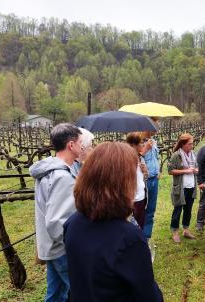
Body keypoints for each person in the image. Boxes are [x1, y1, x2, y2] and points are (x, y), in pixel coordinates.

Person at [64, 142, 163, 302]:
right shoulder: (129, 238)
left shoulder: (72, 223)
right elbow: (149, 296)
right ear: (123, 183)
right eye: (133, 175)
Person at [29, 123, 82, 302]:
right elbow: (58, 222)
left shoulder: (49, 169)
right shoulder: (62, 177)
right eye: (80, 142)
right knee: (82, 292)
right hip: (62, 249)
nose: (82, 146)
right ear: (71, 145)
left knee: (55, 294)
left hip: (49, 246)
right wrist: (76, 245)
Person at [167, 133, 198, 243]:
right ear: (183, 144)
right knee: (178, 210)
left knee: (188, 210)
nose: (192, 146)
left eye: (192, 144)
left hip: (191, 186)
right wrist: (186, 171)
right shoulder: (176, 155)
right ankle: (175, 232)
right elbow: (170, 171)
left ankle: (186, 230)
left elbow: (195, 167)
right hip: (180, 187)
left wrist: (195, 170)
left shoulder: (193, 154)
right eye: (190, 144)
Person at [141, 121, 160, 241]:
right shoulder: (139, 142)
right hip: (145, 181)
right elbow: (136, 157)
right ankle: (139, 237)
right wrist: (145, 149)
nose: (157, 129)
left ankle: (147, 237)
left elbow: (156, 158)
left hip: (154, 180)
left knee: (151, 209)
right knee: (141, 209)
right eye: (155, 126)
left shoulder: (154, 142)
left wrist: (159, 170)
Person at [126, 132, 148, 229]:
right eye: (141, 143)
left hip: (141, 197)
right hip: (132, 200)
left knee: (141, 224)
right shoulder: (126, 160)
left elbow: (144, 178)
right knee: (132, 227)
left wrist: (145, 172)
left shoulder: (140, 158)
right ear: (134, 145)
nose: (143, 144)